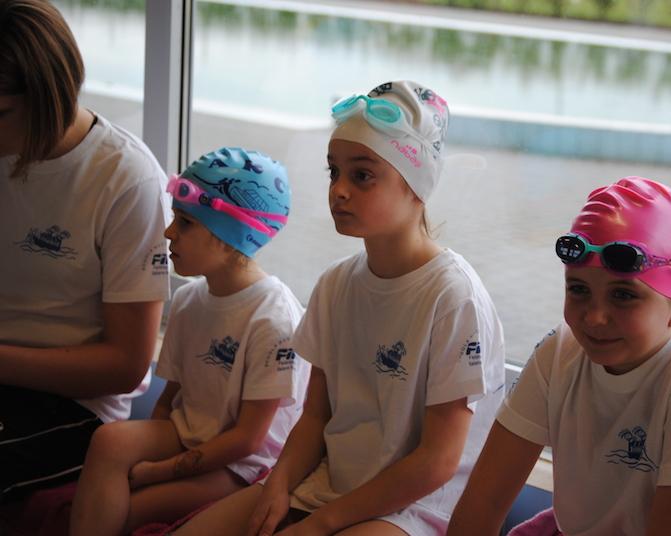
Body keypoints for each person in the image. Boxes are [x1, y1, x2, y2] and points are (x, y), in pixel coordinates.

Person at [172, 81, 506, 536]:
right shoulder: (336, 284)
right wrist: (278, 485)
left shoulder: (453, 298)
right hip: (330, 482)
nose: (339, 190)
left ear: (416, 185)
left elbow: (437, 461)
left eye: (362, 175)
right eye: (334, 172)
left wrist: (322, 523)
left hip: (412, 508)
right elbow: (315, 417)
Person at [448, 177, 671, 535]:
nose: (594, 318)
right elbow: (484, 501)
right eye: (579, 289)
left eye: (623, 295)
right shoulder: (560, 352)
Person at [70, 147, 311, 535]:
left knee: (132, 509)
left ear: (229, 236)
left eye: (185, 223)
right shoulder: (188, 299)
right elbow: (169, 400)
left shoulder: (274, 321)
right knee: (110, 440)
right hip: (191, 434)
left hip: (244, 465)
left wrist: (159, 472)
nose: (168, 233)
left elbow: (248, 439)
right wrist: (146, 455)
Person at [0, 0, 170, 501]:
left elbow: (126, 365)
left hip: (74, 405)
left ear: (47, 96)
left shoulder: (125, 180)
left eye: (0, 113)